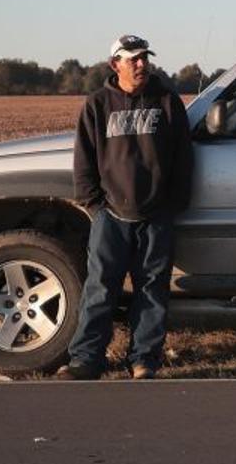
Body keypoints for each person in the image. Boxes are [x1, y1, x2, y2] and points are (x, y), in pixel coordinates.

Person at [59, 34, 193, 380]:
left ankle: (144, 360)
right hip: (111, 216)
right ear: (114, 64)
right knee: (100, 288)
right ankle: (87, 359)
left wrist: (174, 203)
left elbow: (183, 157)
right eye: (132, 58)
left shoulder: (166, 102)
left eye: (144, 57)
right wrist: (95, 205)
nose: (141, 64)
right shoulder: (98, 104)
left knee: (152, 289)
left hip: (157, 215)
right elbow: (83, 159)